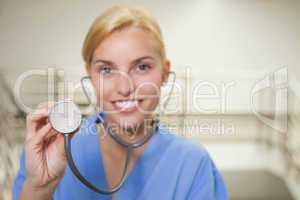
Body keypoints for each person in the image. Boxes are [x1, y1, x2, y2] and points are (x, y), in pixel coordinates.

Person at [12, 5, 228, 200]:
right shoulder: (52, 151)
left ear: (165, 71)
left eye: (141, 67)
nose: (124, 88)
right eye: (106, 70)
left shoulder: (192, 165)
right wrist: (39, 189)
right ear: (90, 74)